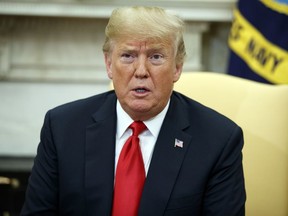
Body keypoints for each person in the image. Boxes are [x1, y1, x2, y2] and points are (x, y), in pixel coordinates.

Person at [21, 6, 246, 216]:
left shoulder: (218, 140)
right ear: (109, 64)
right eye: (128, 56)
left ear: (177, 68)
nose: (141, 71)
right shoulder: (62, 128)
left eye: (156, 57)